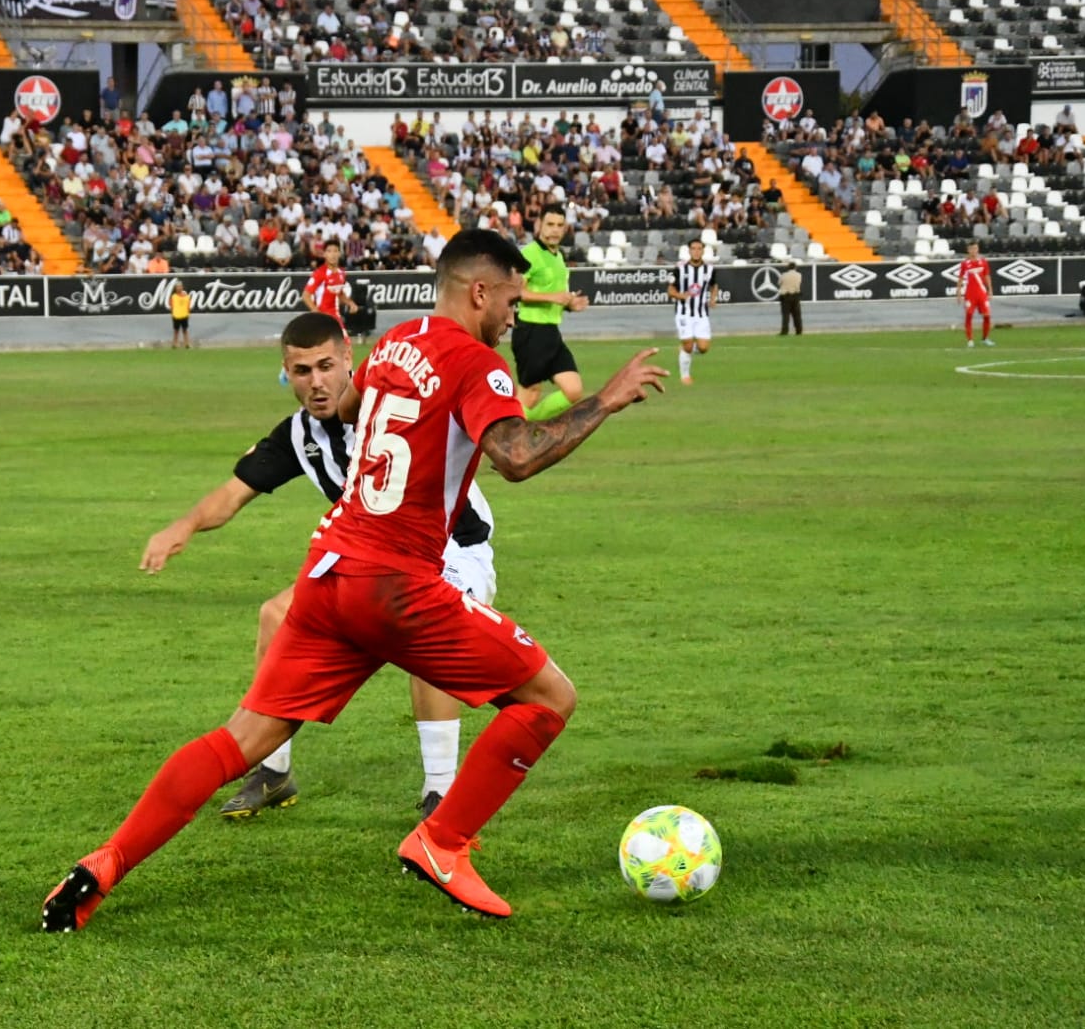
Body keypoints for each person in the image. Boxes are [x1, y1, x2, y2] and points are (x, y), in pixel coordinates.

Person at [42, 229, 668, 932]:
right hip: (396, 583)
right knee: (549, 697)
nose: (514, 317)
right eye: (512, 301)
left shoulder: (397, 341)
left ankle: (103, 864)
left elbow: (347, 408)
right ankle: (441, 839)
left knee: (238, 739)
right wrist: (604, 401)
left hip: (328, 572)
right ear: (480, 292)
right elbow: (516, 457)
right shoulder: (478, 364)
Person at [140, 311, 498, 821]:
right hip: (370, 561)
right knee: (275, 615)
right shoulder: (300, 436)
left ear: (350, 358)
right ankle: (273, 770)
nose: (317, 381)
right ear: (286, 372)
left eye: (326, 366)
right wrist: (183, 526)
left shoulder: (393, 405)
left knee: (424, 634)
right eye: (302, 370)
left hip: (454, 550)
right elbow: (232, 493)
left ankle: (441, 793)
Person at [513, 205, 590, 421]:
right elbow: (516, 291)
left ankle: (527, 427)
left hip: (551, 333)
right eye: (550, 224)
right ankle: (510, 434)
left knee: (573, 390)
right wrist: (554, 297)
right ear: (539, 225)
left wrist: (570, 304)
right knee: (530, 394)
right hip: (530, 331)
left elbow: (556, 295)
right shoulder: (529, 254)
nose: (554, 230)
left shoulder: (558, 257)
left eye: (559, 225)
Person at [668, 239, 716, 386]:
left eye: (699, 248)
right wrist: (680, 295)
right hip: (684, 313)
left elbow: (714, 285)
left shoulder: (710, 269)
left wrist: (713, 298)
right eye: (693, 248)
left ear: (703, 251)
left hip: (702, 314)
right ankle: (685, 376)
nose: (696, 251)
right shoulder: (679, 268)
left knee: (703, 348)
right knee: (688, 346)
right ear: (689, 251)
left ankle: (684, 349)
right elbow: (670, 290)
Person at [299, 239, 359, 330]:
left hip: (335, 315)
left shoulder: (341, 273)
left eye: (335, 251)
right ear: (324, 254)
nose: (333, 254)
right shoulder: (320, 273)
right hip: (322, 316)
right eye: (329, 251)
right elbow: (305, 296)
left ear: (339, 253)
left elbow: (340, 294)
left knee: (345, 343)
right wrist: (317, 313)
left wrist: (351, 303)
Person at [957, 241, 995, 347]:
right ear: (968, 250)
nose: (974, 251)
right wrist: (959, 293)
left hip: (982, 293)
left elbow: (987, 276)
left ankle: (985, 338)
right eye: (972, 249)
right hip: (970, 294)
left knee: (987, 316)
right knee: (969, 315)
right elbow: (960, 278)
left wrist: (990, 290)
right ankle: (970, 340)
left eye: (975, 248)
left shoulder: (983, 262)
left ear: (978, 249)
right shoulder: (965, 264)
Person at [778, 261, 803, 336]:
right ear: (795, 267)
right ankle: (799, 330)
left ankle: (784, 331)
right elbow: (799, 283)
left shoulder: (784, 275)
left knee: (786, 315)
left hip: (786, 296)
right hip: (795, 296)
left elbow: (779, 283)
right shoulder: (799, 275)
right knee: (797, 315)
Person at [168, 280, 192, 349]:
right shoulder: (173, 296)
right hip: (176, 316)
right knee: (176, 331)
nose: (179, 288)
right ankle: (174, 344)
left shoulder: (186, 296)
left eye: (180, 286)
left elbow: (188, 305)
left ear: (182, 287)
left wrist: (188, 313)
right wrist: (172, 314)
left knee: (185, 330)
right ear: (175, 288)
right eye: (177, 287)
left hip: (184, 315)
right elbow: (171, 306)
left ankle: (187, 344)